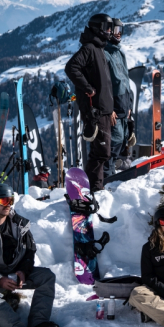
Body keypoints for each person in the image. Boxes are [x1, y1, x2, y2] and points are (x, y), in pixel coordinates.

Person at [0, 184, 58, 327]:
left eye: (11, 201)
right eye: (3, 201)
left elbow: (30, 250)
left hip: (13, 273)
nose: (8, 205)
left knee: (46, 277)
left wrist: (23, 271)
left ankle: (38, 323)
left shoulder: (19, 224)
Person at [65, 13, 114, 192]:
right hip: (96, 110)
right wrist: (87, 88)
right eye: (107, 27)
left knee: (102, 152)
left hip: (105, 110)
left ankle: (93, 188)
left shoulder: (99, 48)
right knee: (101, 152)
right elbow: (71, 67)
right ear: (97, 28)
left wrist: (111, 109)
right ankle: (93, 189)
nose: (109, 31)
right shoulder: (89, 48)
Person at [103, 17, 133, 177]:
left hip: (123, 106)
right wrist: (109, 109)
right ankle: (106, 176)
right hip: (113, 108)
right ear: (108, 31)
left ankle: (117, 172)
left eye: (120, 30)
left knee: (123, 140)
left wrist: (128, 106)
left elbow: (125, 80)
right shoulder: (105, 54)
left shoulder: (119, 52)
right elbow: (104, 85)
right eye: (115, 30)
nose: (118, 34)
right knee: (113, 141)